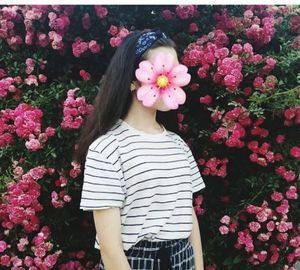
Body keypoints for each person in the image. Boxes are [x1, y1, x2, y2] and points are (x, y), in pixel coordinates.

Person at [74, 28, 206, 270]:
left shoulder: (178, 146)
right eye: (160, 70)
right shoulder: (106, 149)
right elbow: (110, 248)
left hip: (182, 259)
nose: (169, 79)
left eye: (174, 71)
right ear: (132, 80)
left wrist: (198, 266)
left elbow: (188, 217)